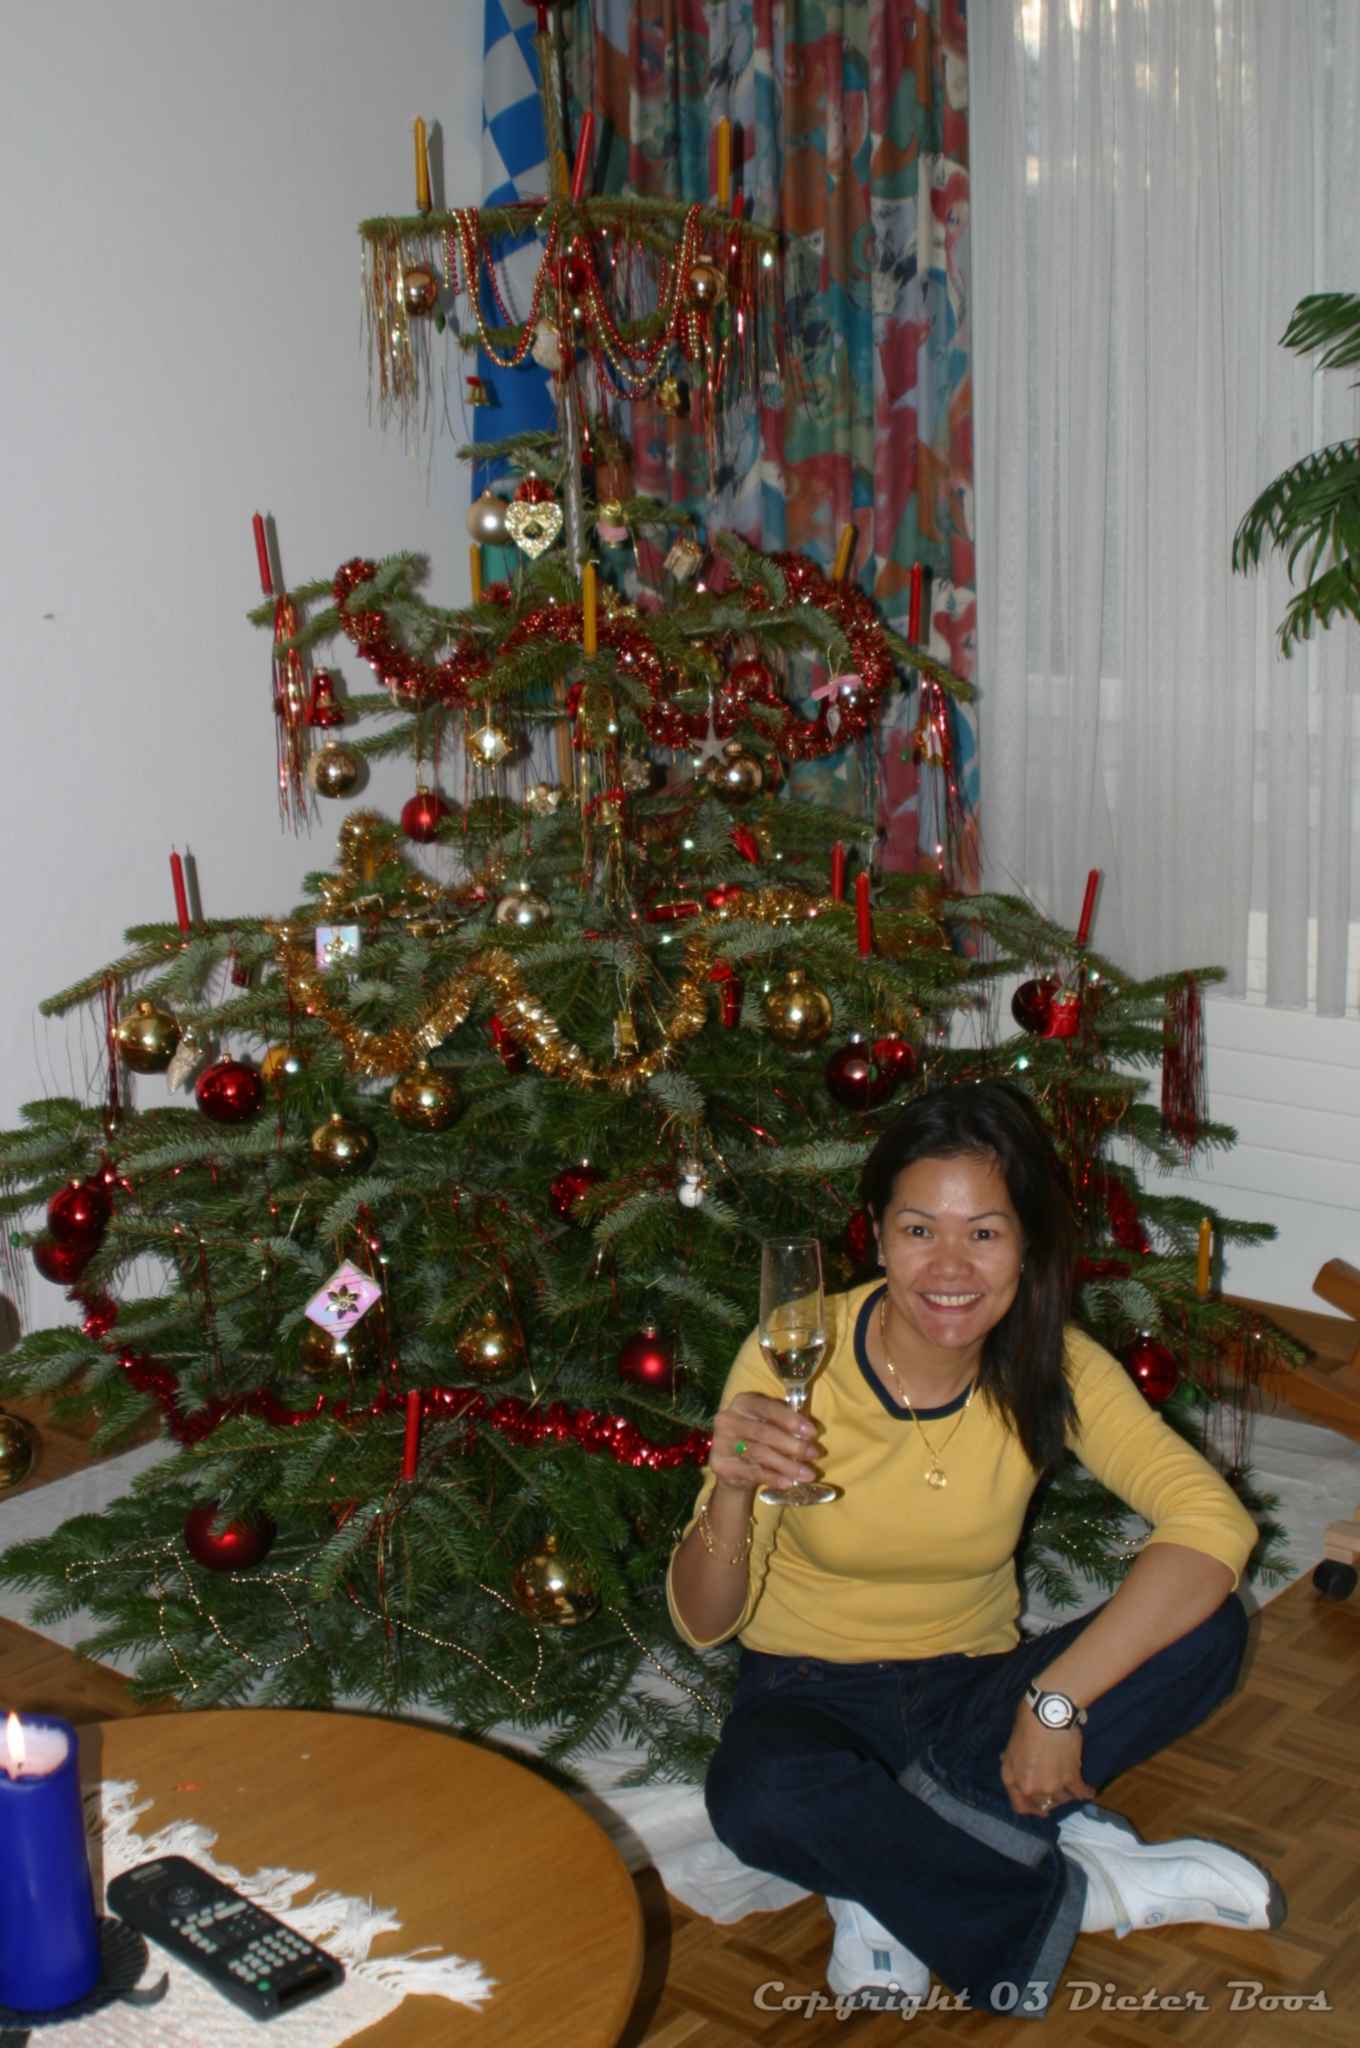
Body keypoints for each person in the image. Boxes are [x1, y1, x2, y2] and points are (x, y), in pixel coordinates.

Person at [667, 1081, 1284, 2017]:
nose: (949, 1266)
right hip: (809, 1692)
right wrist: (734, 1488)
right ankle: (1083, 1889)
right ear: (878, 1237)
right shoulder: (798, 1350)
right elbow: (705, 1622)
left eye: (984, 1233)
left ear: (1025, 1244)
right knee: (759, 1796)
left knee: (1211, 1627)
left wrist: (1053, 1702)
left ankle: (885, 1869)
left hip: (974, 1691)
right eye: (919, 1230)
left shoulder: (1053, 1363)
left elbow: (1213, 1524)